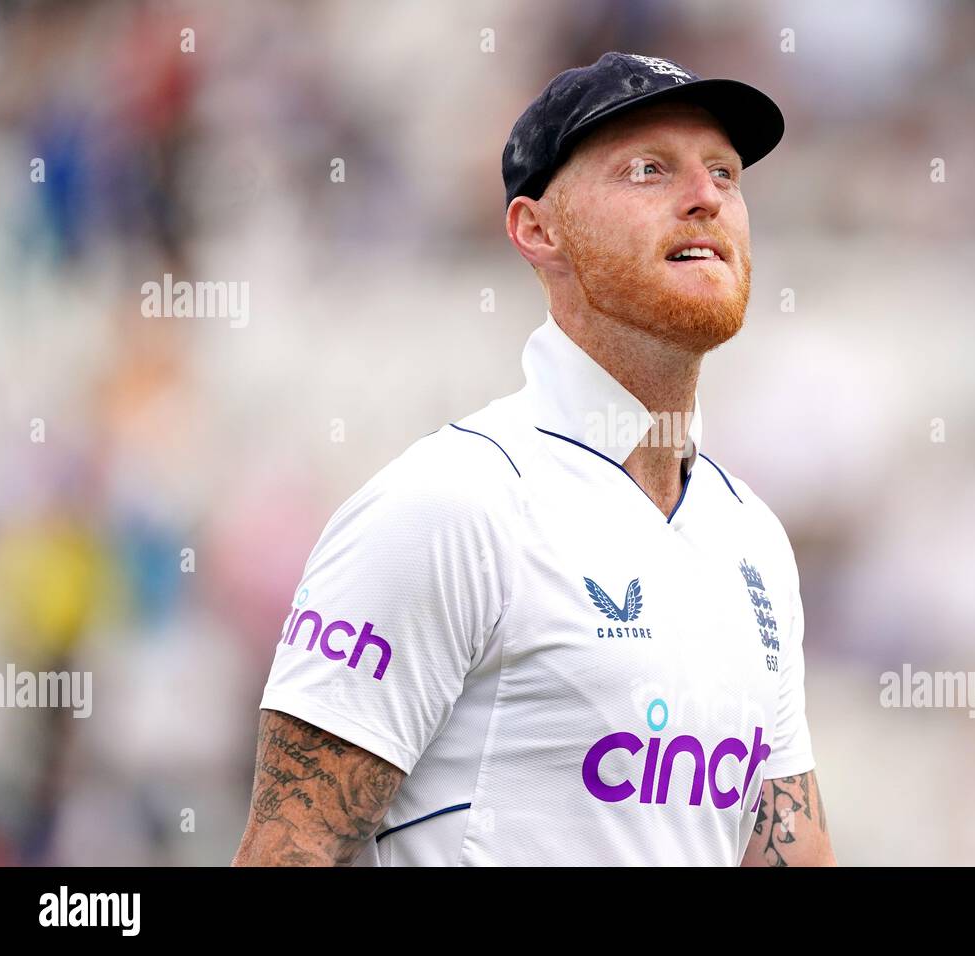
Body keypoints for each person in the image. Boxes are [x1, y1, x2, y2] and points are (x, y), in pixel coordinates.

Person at [233, 51, 836, 866]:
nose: (706, 197)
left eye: (725, 173)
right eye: (648, 169)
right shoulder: (449, 504)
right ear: (536, 229)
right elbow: (289, 852)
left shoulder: (753, 541)